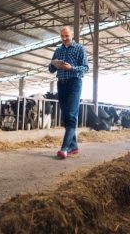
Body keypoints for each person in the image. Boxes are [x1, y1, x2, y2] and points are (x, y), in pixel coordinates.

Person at [49, 26, 89, 159]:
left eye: (67, 36)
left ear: (72, 34)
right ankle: (74, 147)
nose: (65, 39)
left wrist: (71, 68)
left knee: (71, 115)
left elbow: (85, 68)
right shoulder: (58, 50)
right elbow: (50, 69)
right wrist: (54, 64)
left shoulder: (79, 48)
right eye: (62, 36)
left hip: (74, 83)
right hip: (61, 84)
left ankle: (64, 148)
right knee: (66, 116)